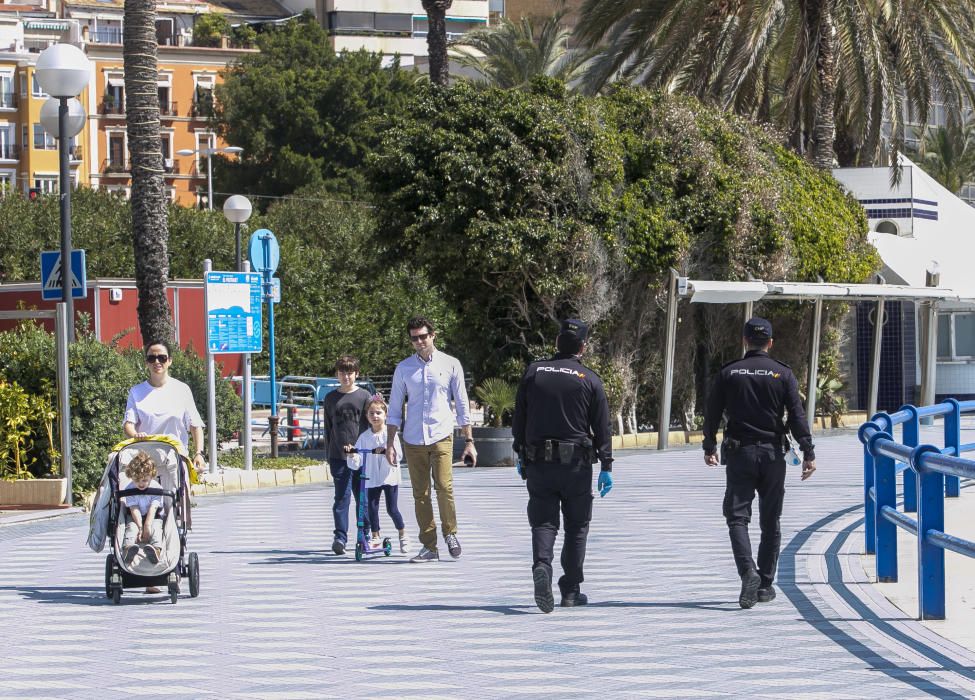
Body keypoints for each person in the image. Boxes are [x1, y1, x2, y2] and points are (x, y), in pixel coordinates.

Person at [703, 317, 817, 609]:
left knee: (737, 517)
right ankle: (765, 584)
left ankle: (747, 572)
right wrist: (808, 451)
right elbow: (797, 416)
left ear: (744, 341)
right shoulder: (783, 373)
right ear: (770, 343)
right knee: (771, 520)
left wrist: (709, 446)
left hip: (740, 454)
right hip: (773, 455)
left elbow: (712, 412)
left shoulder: (729, 373)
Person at [512, 319, 614, 613]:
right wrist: (606, 464)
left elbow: (520, 416)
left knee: (543, 522)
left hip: (539, 463)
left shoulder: (534, 372)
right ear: (583, 347)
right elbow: (602, 426)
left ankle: (542, 566)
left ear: (557, 342)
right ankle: (570, 589)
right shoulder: (589, 379)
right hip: (576, 467)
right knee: (577, 526)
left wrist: (520, 452)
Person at [386, 317, 475, 563]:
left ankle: (451, 533)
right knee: (420, 493)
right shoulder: (404, 368)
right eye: (414, 338)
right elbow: (394, 408)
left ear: (433, 335)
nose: (420, 342)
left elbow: (462, 405)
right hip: (413, 438)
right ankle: (429, 545)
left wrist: (469, 440)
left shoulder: (450, 364)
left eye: (423, 336)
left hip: (441, 435)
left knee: (444, 487)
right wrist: (390, 443)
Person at [124, 341, 206, 478]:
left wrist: (198, 453)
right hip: (145, 463)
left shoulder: (182, 389)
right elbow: (128, 424)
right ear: (146, 363)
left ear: (169, 361)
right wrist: (135, 435)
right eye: (151, 358)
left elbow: (195, 425)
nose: (157, 362)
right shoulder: (136, 392)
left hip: (175, 459)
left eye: (162, 357)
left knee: (175, 498)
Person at [345, 395, 411, 553]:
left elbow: (399, 456)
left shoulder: (390, 434)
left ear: (385, 415)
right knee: (372, 508)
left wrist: (388, 452)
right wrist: (352, 454)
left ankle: (402, 534)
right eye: (371, 413)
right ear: (367, 416)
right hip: (372, 476)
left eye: (378, 413)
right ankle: (375, 535)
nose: (375, 416)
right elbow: (358, 461)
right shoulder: (364, 437)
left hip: (388, 476)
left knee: (392, 508)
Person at [322, 355, 372, 555]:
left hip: (361, 457)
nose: (346, 376)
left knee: (363, 498)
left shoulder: (364, 396)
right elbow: (327, 428)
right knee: (341, 498)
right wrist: (329, 453)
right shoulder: (330, 398)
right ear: (337, 374)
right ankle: (340, 537)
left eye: (350, 372)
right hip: (338, 456)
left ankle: (365, 533)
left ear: (357, 374)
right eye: (342, 372)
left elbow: (372, 425)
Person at [120, 451, 164, 593]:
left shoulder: (156, 488)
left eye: (145, 480)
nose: (141, 484)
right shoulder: (130, 489)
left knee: (156, 528)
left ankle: (156, 549)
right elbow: (134, 508)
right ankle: (128, 548)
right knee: (131, 528)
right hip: (135, 516)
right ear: (131, 476)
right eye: (137, 480)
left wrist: (147, 526)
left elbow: (153, 508)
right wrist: (140, 527)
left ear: (151, 476)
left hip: (153, 516)